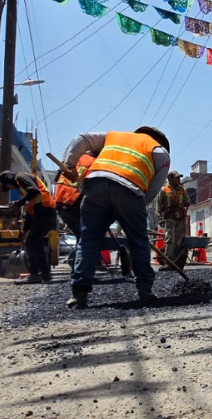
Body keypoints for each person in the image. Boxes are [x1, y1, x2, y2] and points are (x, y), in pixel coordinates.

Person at [61, 126, 171, 309]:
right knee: (138, 241)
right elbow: (152, 191)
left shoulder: (113, 136)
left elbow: (81, 138)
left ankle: (78, 294)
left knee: (88, 241)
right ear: (160, 141)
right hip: (129, 189)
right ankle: (145, 290)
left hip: (94, 186)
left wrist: (70, 164)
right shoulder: (160, 152)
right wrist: (134, 212)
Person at [0, 170, 56, 284]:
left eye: (8, 186)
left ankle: (34, 274)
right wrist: (25, 230)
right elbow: (30, 210)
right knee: (37, 242)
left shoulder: (20, 176)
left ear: (9, 180)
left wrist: (18, 204)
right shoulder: (23, 189)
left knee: (31, 242)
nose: (11, 188)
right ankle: (45, 274)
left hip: (43, 209)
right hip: (45, 210)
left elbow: (34, 191)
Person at [52, 151, 96, 279]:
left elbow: (56, 178)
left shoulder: (74, 159)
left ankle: (78, 272)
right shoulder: (94, 163)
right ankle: (80, 274)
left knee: (81, 237)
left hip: (60, 203)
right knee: (85, 239)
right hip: (73, 202)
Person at [154, 171, 191, 269]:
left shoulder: (182, 190)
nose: (178, 179)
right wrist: (159, 219)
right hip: (169, 218)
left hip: (180, 219)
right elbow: (158, 206)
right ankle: (168, 262)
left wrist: (185, 203)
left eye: (179, 178)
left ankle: (177, 262)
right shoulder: (164, 190)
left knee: (178, 241)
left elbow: (188, 202)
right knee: (170, 240)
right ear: (170, 179)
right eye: (176, 178)